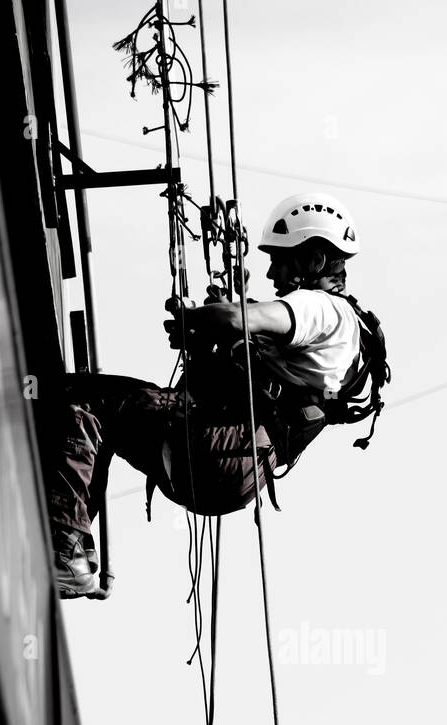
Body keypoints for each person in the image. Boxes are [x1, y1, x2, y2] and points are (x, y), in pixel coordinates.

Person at [47, 195, 386, 598]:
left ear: (315, 260)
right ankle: (71, 551)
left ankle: (65, 554)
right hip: (233, 472)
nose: (273, 272)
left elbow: (237, 318)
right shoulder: (343, 335)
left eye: (281, 259)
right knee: (108, 420)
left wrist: (197, 318)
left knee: (83, 398)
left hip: (218, 448)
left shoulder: (321, 309)